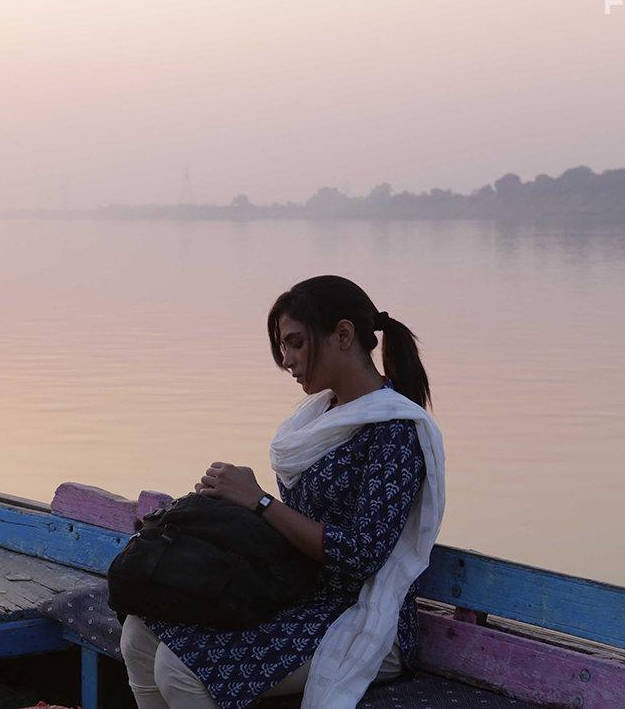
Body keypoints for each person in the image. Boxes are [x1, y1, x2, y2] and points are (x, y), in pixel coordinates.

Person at [119, 275, 446, 709]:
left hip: (365, 617)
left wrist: (259, 501)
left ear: (343, 335)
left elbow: (363, 555)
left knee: (179, 669)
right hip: (299, 595)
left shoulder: (394, 431)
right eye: (283, 347)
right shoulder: (315, 421)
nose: (287, 360)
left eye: (295, 343)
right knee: (139, 634)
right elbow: (287, 530)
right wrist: (227, 505)